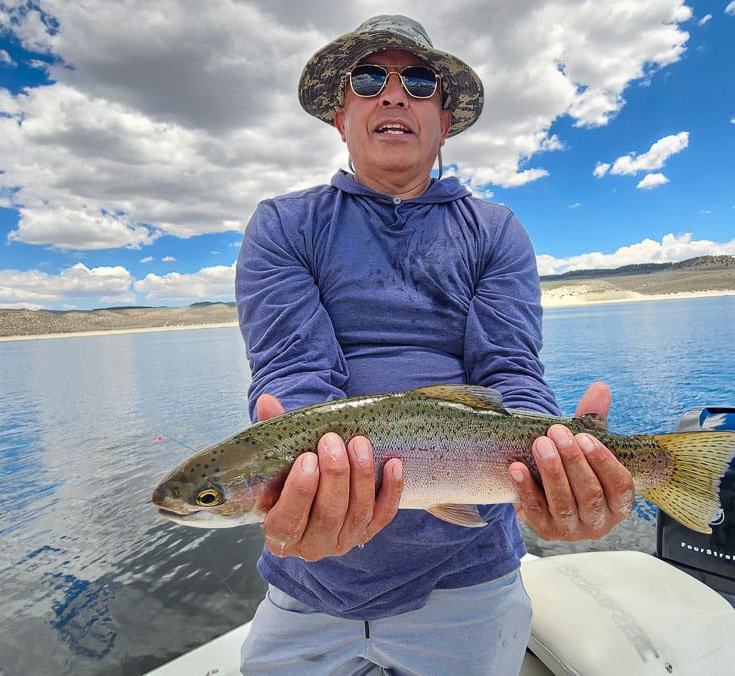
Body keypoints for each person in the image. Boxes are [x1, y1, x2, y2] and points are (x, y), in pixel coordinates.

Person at [233, 15, 635, 675]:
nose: (394, 93)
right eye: (371, 78)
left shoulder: (496, 231)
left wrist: (560, 464)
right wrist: (315, 479)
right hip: (311, 576)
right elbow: (295, 374)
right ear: (341, 116)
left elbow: (511, 374)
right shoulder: (283, 226)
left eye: (418, 82)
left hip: (470, 575)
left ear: (444, 121)